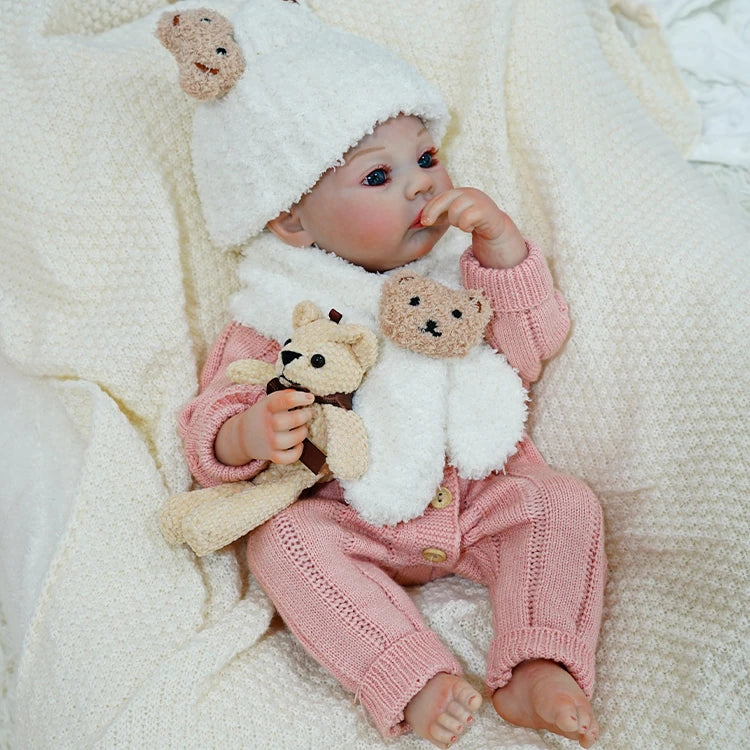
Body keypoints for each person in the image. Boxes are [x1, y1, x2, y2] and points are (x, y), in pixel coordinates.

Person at [170, 1, 606, 747]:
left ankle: (534, 661)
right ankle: (412, 672)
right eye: (379, 175)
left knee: (562, 504)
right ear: (294, 220)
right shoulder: (276, 308)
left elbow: (529, 347)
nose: (419, 187)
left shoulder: (456, 267)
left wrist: (502, 248)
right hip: (352, 515)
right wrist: (247, 433)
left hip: (475, 494)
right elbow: (214, 416)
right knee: (287, 543)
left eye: (426, 159)